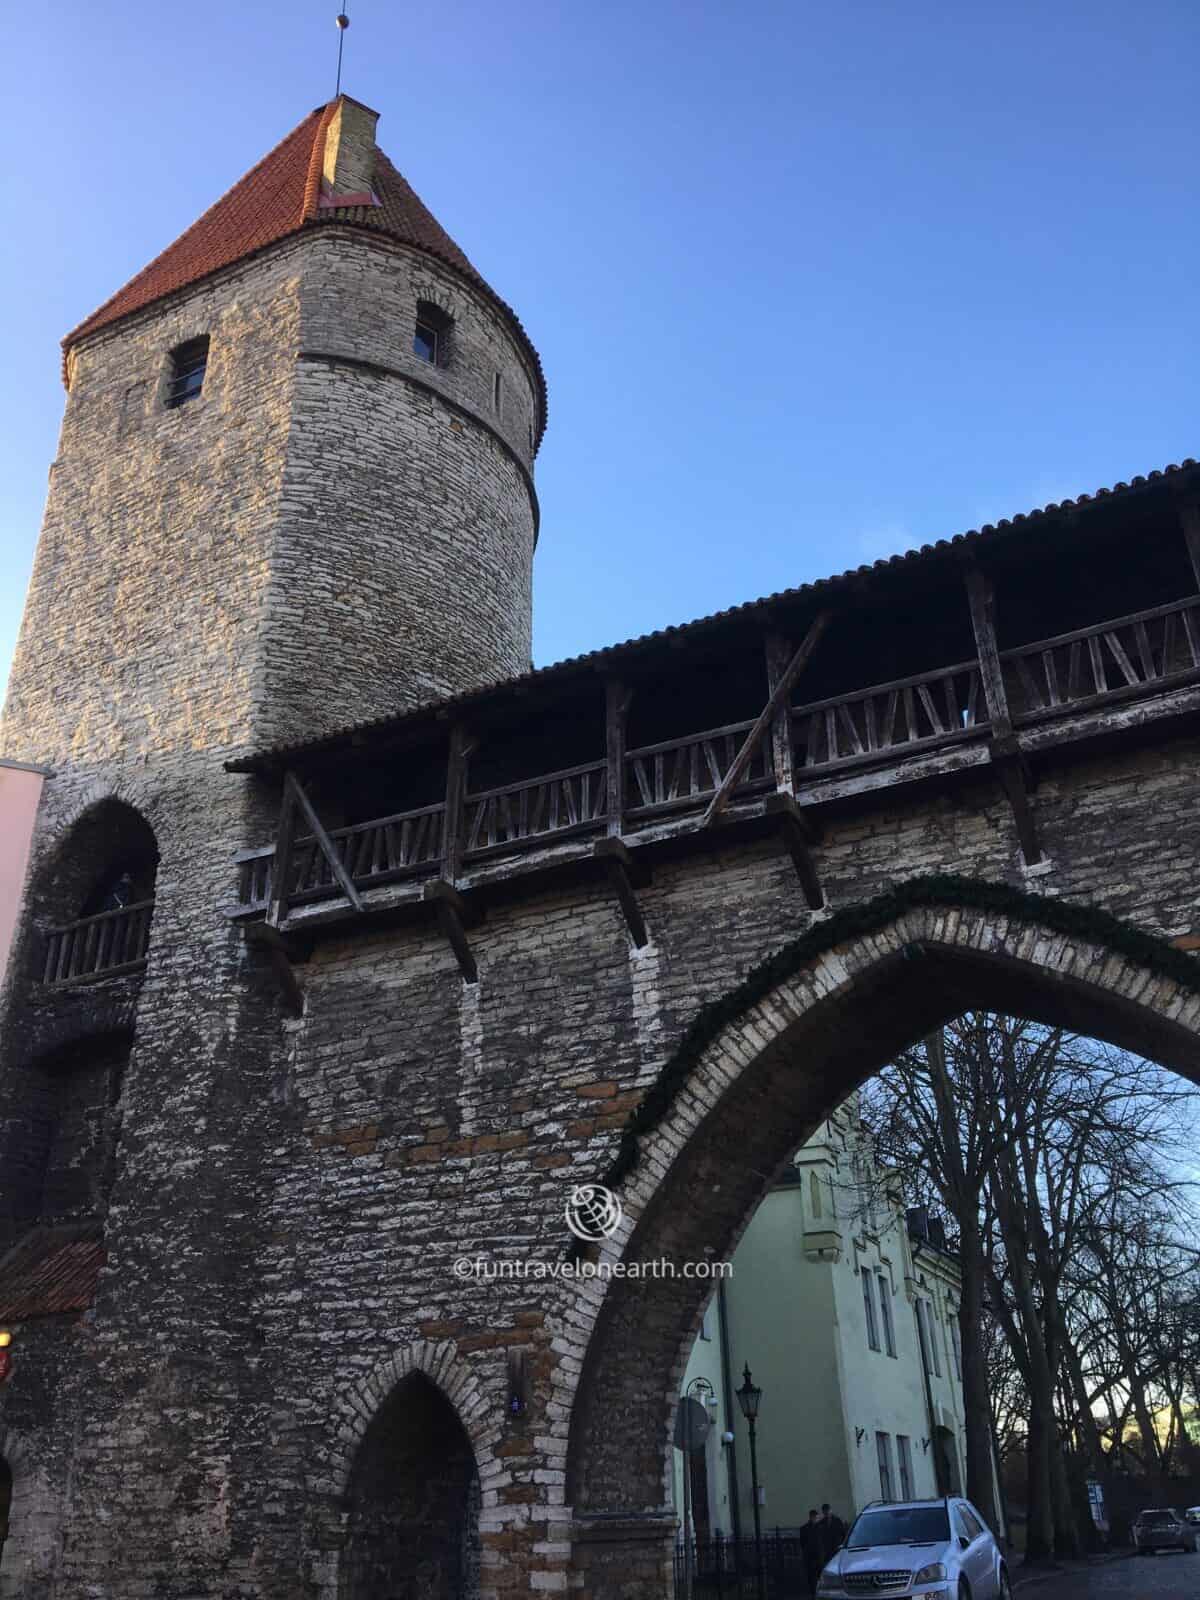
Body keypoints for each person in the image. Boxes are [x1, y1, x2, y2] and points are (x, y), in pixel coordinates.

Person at [799, 1508, 822, 1593]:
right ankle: (813, 1592)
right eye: (815, 1517)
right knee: (812, 1577)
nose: (817, 1519)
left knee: (819, 1577)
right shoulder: (804, 1529)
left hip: (819, 1557)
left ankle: (818, 1591)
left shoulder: (820, 1527)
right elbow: (803, 1543)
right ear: (811, 1517)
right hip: (810, 1557)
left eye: (817, 1517)